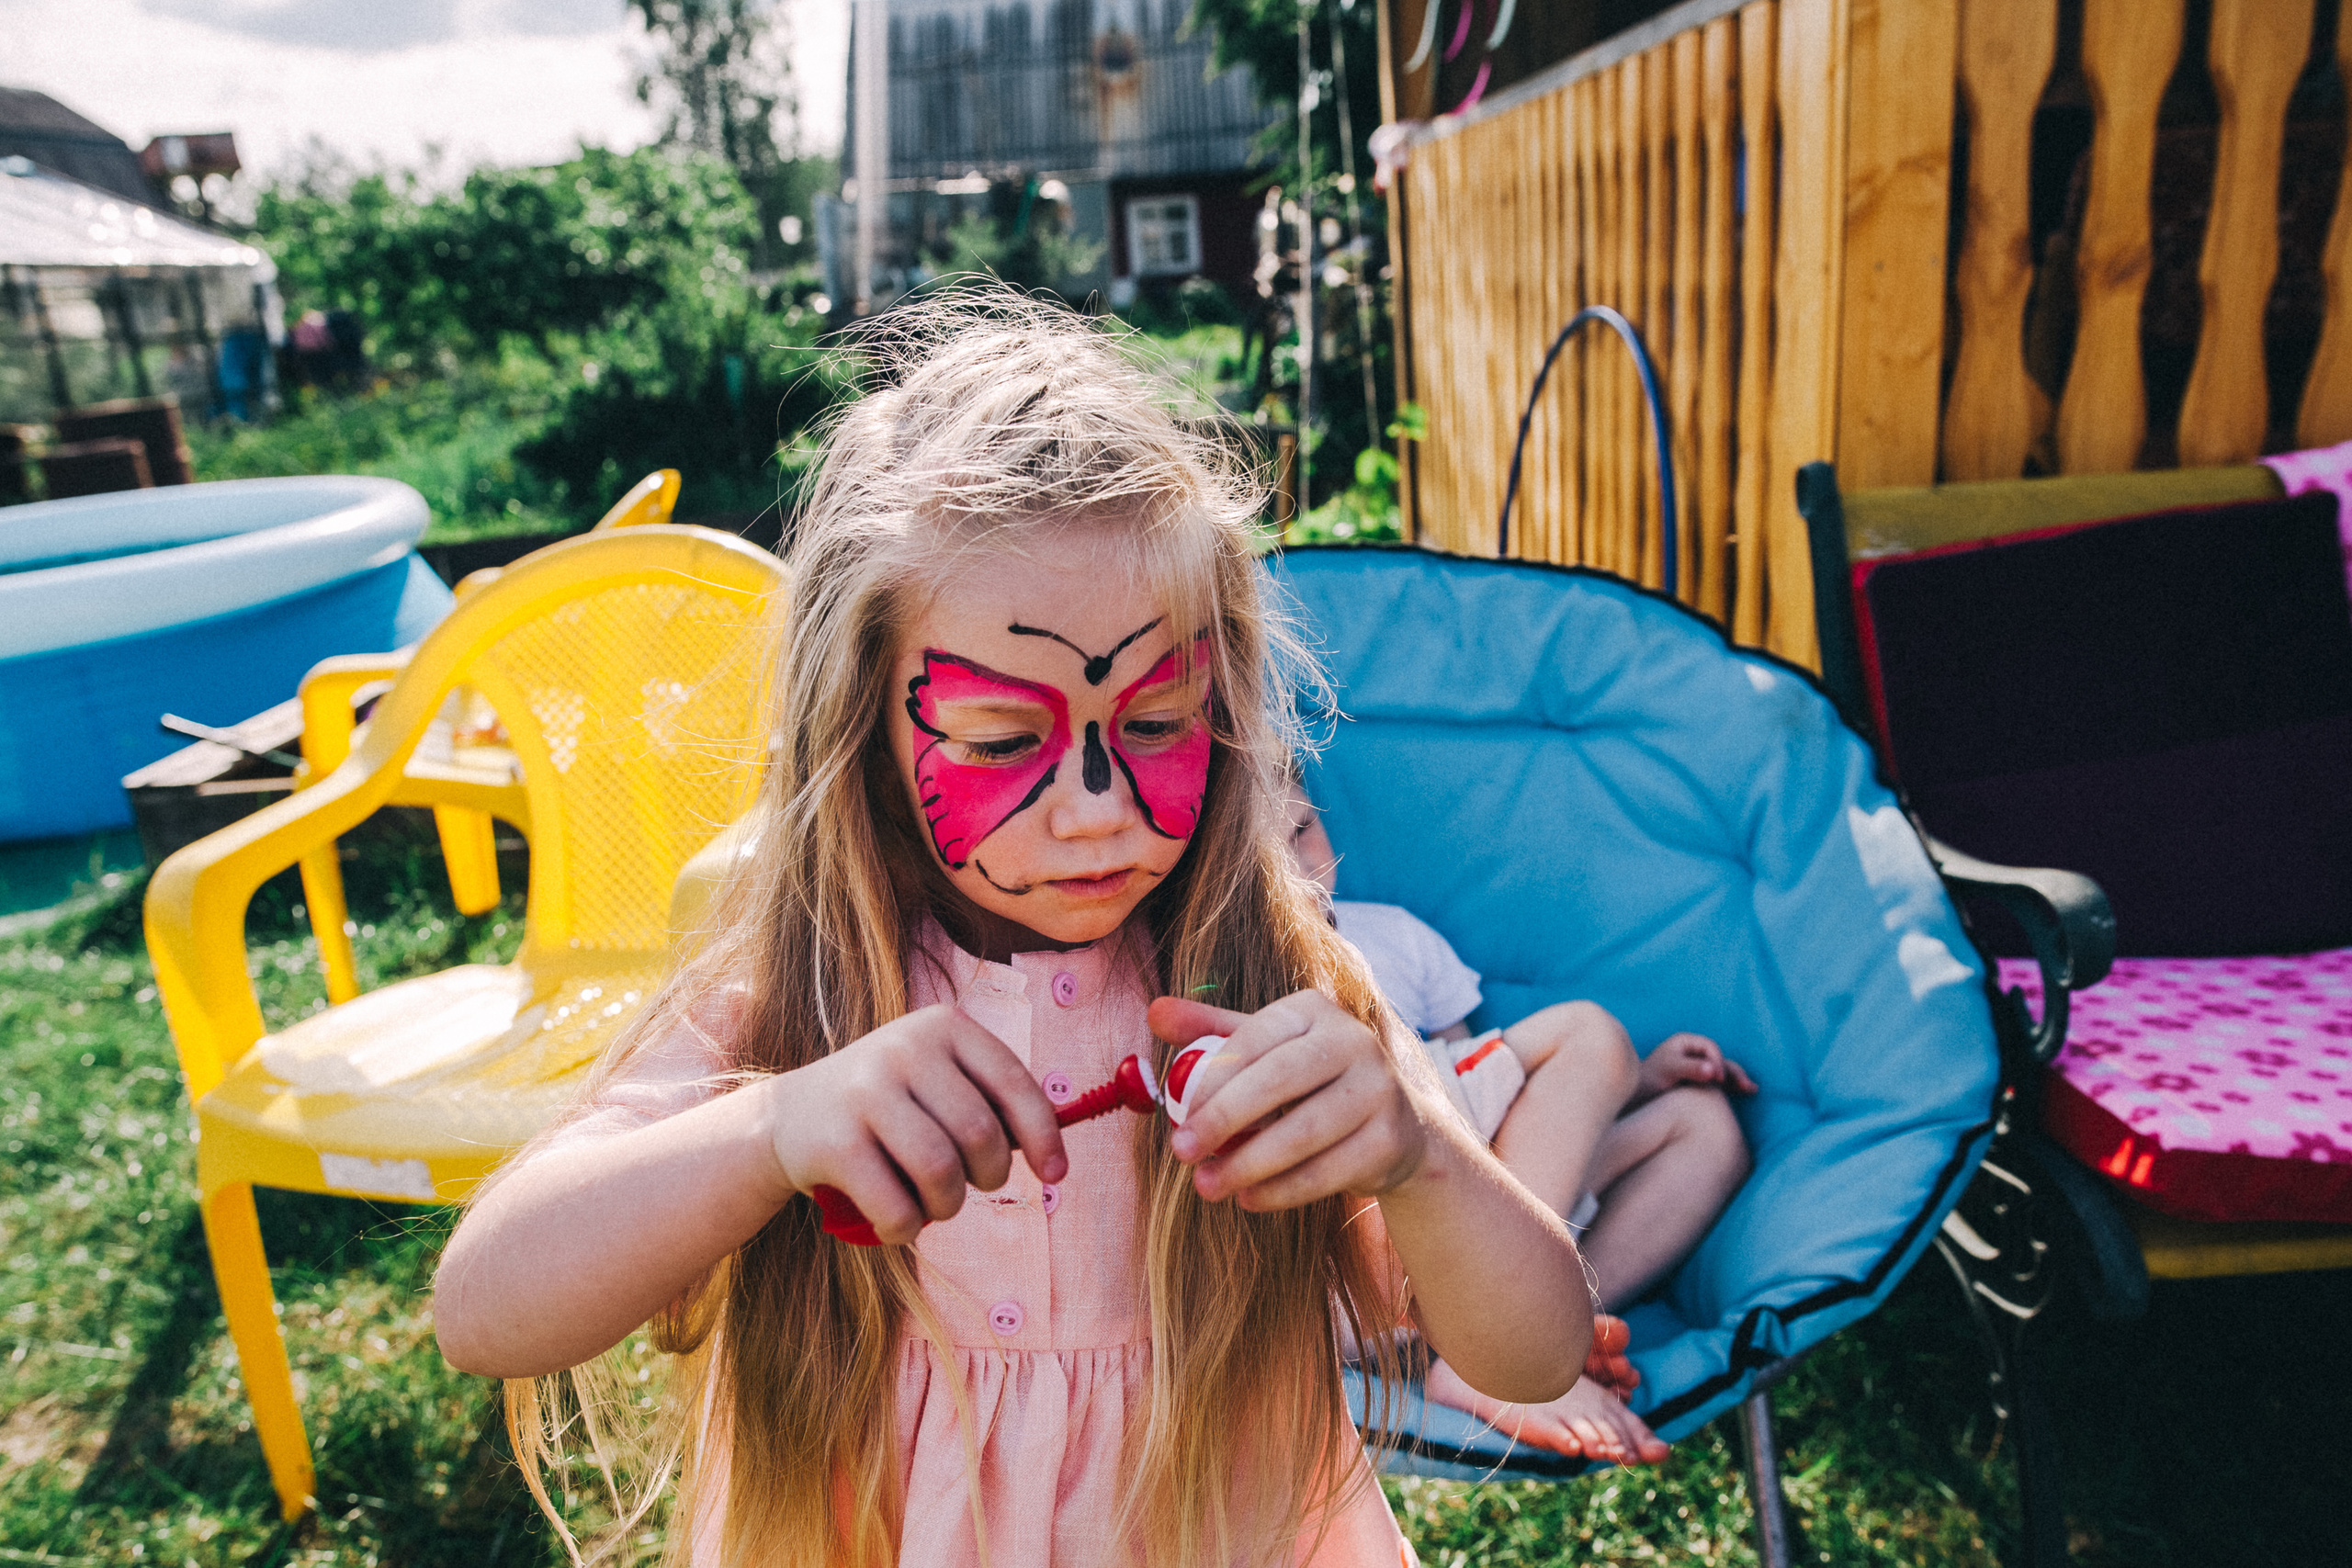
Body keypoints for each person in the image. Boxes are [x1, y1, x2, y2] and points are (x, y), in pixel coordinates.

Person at [432, 293, 1592, 1568]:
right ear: (863, 733)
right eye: (999, 739)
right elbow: (487, 1306)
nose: (1097, 810)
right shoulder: (790, 1006)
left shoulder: (1282, 990)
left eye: (1156, 723)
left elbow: (1533, 1355)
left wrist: (1417, 1150)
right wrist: (769, 1131)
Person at [1288, 788, 1755, 1466]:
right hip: (1348, 1261)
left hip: (1448, 1224)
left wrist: (1634, 1078)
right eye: (1260, 854)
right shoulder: (1232, 967)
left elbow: (1497, 1102)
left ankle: (1533, 1342)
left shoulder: (1394, 934)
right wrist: (1596, 1054)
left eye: (1303, 829)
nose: (1295, 868)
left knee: (1706, 1129)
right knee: (1589, 1030)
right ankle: (1492, 1354)